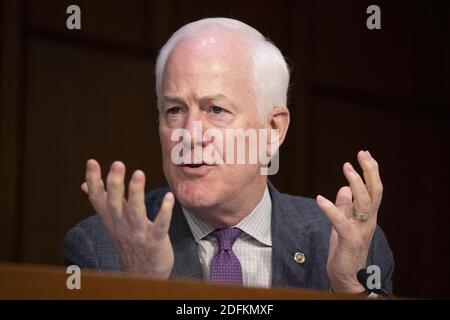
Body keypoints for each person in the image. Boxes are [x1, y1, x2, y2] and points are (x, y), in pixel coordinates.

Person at [63, 17, 394, 295]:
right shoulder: (101, 247)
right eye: (174, 110)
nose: (189, 134)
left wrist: (349, 288)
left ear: (273, 130)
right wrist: (144, 290)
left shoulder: (349, 244)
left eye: (216, 109)